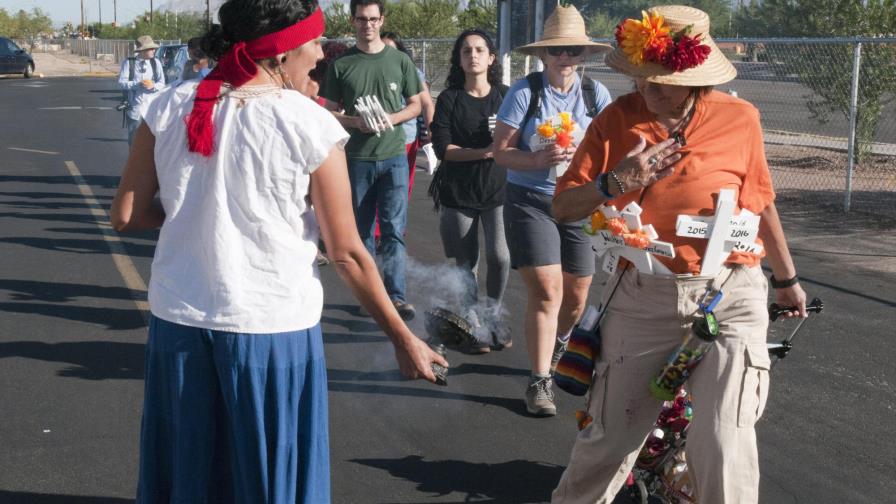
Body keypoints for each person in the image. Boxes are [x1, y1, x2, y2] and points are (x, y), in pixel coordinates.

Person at [109, 1, 445, 501]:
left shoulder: (168, 105)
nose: (318, 54)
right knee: (269, 478)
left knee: (191, 472)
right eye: (312, 43)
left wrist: (193, 213)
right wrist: (401, 337)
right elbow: (346, 252)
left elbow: (128, 216)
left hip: (179, 319)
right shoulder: (307, 122)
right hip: (268, 326)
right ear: (281, 51)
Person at [549, 6, 807, 503]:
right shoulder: (615, 119)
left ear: (695, 79)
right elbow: (563, 205)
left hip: (729, 293)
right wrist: (619, 180)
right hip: (643, 295)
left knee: (723, 444)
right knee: (609, 439)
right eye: (643, 78)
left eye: (665, 79)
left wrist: (786, 278)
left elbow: (760, 200)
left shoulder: (740, 119)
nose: (650, 89)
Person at [492, 5, 612, 416]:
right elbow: (501, 153)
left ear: (583, 55)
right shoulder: (524, 92)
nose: (565, 58)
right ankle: (540, 380)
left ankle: (561, 342)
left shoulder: (597, 96)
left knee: (577, 296)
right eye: (557, 51)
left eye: (573, 51)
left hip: (578, 202)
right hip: (530, 201)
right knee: (547, 290)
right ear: (544, 55)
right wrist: (537, 160)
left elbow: (609, 154)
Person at [319, 0, 424, 321]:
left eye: (374, 19)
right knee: (361, 232)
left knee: (394, 230)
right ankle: (369, 296)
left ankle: (396, 295)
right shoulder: (342, 65)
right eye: (362, 19)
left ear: (382, 20)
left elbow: (416, 105)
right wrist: (354, 122)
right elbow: (327, 111)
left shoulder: (400, 61)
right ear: (353, 21)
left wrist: (391, 119)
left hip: (393, 155)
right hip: (357, 158)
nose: (369, 25)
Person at [429, 29, 510, 354]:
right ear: (459, 60)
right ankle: (471, 322)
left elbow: (521, 137)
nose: (473, 55)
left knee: (501, 257)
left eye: (479, 49)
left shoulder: (505, 95)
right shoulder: (449, 98)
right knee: (467, 263)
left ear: (491, 58)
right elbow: (443, 148)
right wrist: (486, 151)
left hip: (499, 190)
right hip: (459, 192)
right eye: (466, 51)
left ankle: (492, 316)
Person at [380, 31, 435, 202]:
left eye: (391, 50)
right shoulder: (372, 70)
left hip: (405, 139)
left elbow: (426, 103)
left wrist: (432, 133)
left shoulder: (411, 72)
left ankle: (397, 227)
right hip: (377, 139)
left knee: (400, 190)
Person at [117, 35, 166, 145]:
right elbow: (121, 83)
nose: (154, 50)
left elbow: (162, 83)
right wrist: (137, 84)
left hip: (152, 110)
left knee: (152, 143)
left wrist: (153, 86)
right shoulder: (129, 63)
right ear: (143, 51)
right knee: (134, 142)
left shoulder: (155, 63)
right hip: (135, 109)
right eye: (151, 48)